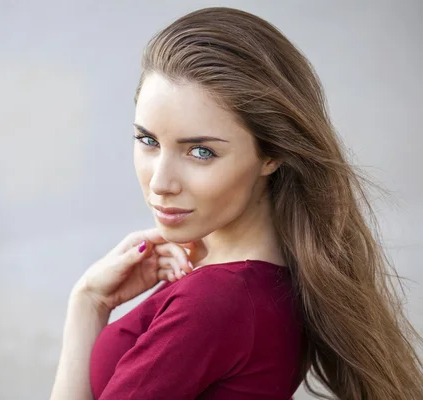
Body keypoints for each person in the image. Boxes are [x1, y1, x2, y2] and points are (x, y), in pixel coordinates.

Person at [50, 7, 423, 400]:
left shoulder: (215, 302)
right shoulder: (273, 280)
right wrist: (90, 299)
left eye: (200, 152)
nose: (160, 182)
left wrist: (87, 304)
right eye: (148, 141)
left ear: (272, 153)